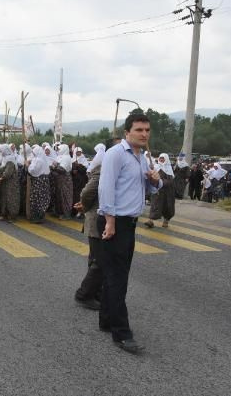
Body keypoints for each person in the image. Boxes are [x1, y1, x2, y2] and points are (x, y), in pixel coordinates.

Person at [97, 113, 161, 354]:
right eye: (139, 130)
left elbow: (149, 185)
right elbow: (106, 188)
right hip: (115, 221)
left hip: (129, 222)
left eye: (147, 130)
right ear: (127, 132)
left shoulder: (141, 157)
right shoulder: (116, 154)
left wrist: (156, 181)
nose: (144, 134)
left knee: (114, 274)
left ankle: (106, 319)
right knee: (118, 279)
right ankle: (122, 333)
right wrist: (110, 221)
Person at [73, 142, 106, 310]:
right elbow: (87, 192)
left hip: (99, 218)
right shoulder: (101, 171)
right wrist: (85, 206)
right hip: (96, 219)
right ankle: (84, 294)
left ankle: (95, 291)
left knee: (96, 258)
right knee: (100, 259)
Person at [144, 153, 176, 228]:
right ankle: (150, 221)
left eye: (163, 158)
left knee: (167, 206)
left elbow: (170, 181)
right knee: (155, 204)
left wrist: (161, 182)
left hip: (168, 192)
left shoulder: (169, 169)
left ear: (166, 159)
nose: (161, 160)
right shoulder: (155, 166)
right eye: (160, 158)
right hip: (157, 190)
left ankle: (166, 220)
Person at [27, 145, 51, 223]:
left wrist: (27, 165)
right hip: (44, 181)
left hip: (38, 181)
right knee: (43, 198)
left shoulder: (38, 160)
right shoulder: (43, 159)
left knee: (36, 198)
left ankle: (36, 218)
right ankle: (41, 216)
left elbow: (33, 171)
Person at [0, 144, 19, 221]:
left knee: (11, 198)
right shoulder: (5, 158)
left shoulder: (10, 159)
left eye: (1, 151)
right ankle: (4, 214)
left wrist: (1, 178)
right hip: (5, 183)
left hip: (11, 183)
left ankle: (12, 216)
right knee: (4, 198)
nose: (1, 152)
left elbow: (8, 172)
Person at [52, 144, 73, 219]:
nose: (58, 150)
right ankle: (59, 212)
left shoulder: (66, 158)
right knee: (59, 196)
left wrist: (54, 167)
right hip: (59, 180)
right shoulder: (59, 157)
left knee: (65, 196)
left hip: (64, 181)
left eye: (59, 149)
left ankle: (66, 214)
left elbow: (62, 169)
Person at [72, 147, 89, 218]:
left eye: (79, 152)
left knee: (81, 195)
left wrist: (78, 166)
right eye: (77, 152)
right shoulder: (72, 159)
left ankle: (81, 211)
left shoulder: (83, 159)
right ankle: (75, 210)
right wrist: (73, 171)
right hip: (74, 181)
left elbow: (85, 169)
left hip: (81, 181)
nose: (78, 153)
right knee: (75, 196)